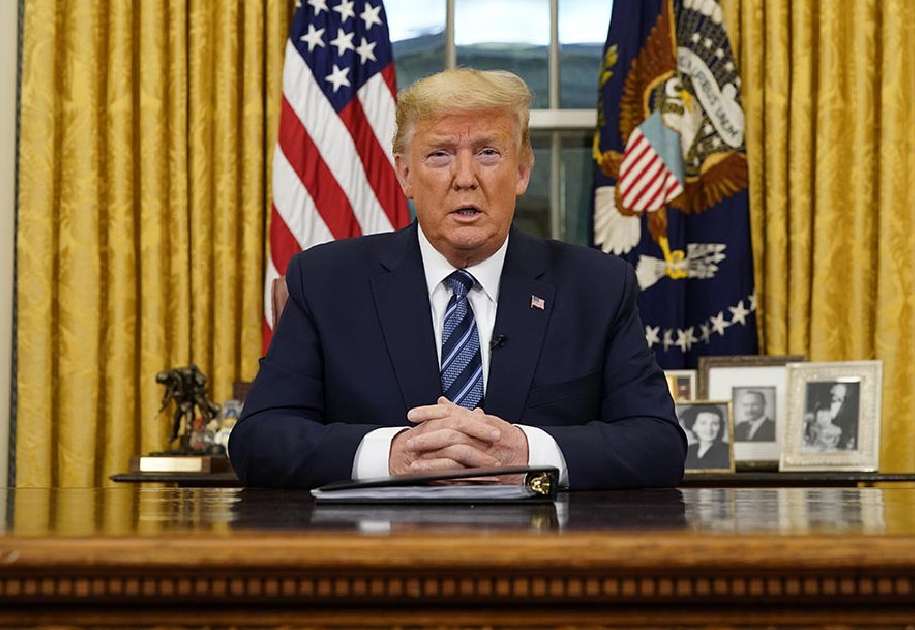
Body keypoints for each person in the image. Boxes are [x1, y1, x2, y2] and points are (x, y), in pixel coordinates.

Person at [228, 68, 687, 490]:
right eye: (439, 155)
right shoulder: (326, 282)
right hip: (376, 561)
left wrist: (525, 454)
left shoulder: (597, 287)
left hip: (541, 560)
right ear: (405, 174)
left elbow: (659, 443)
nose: (465, 178)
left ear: (522, 171)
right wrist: (393, 456)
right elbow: (259, 439)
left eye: (488, 153)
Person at [683, 404, 729, 470]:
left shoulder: (726, 451)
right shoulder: (688, 450)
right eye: (703, 423)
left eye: (714, 424)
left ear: (720, 427)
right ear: (693, 426)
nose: (709, 429)